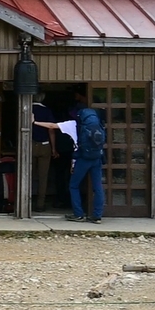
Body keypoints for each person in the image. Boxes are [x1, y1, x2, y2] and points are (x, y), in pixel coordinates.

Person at [35, 92, 105, 222]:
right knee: (98, 186)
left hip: (82, 158)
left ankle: (78, 214)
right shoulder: (98, 125)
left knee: (73, 185)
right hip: (96, 157)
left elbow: (52, 126)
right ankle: (97, 215)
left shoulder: (73, 124)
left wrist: (35, 121)